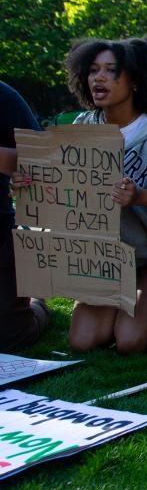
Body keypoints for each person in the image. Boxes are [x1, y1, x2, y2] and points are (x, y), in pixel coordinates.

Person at [64, 38, 147, 353]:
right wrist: (32, 181)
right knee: (84, 341)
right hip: (107, 259)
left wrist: (141, 197)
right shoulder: (82, 127)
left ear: (134, 80)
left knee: (130, 342)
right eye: (93, 70)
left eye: (111, 71)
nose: (99, 78)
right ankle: (141, 302)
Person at [0, 81, 49, 351]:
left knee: (12, 336)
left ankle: (36, 300)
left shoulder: (4, 96)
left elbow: (43, 157)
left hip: (0, 230)